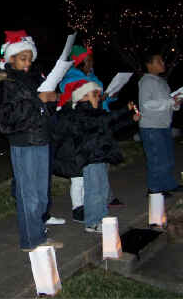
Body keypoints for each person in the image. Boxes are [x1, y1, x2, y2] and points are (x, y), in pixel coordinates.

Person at [0, 30, 63, 251]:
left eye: (30, 58)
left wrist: (51, 100)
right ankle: (31, 241)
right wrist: (38, 101)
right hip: (24, 143)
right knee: (29, 195)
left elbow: (40, 110)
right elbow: (6, 119)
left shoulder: (33, 79)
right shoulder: (5, 83)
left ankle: (38, 234)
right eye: (23, 58)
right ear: (11, 59)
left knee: (41, 195)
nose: (28, 63)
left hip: (42, 140)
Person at [53, 80, 140, 233]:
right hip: (89, 158)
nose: (98, 97)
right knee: (93, 191)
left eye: (97, 94)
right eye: (94, 94)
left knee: (102, 189)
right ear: (82, 97)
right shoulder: (80, 115)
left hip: (100, 156)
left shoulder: (97, 113)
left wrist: (130, 120)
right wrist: (124, 110)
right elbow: (103, 121)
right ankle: (92, 222)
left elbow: (111, 127)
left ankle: (102, 218)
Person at [57, 45, 124, 223]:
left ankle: (98, 202)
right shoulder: (71, 77)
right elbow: (72, 98)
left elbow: (99, 96)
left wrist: (108, 97)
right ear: (79, 61)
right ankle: (78, 207)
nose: (92, 62)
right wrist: (91, 96)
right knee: (79, 174)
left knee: (97, 170)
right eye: (88, 59)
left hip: (98, 122)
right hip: (82, 128)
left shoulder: (92, 76)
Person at [138, 52, 183, 196]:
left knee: (167, 158)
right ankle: (154, 189)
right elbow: (146, 104)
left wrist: (175, 103)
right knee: (157, 159)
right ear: (149, 64)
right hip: (151, 127)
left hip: (163, 125)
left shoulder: (162, 82)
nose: (163, 63)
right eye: (159, 61)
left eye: (162, 61)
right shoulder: (146, 82)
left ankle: (168, 184)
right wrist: (170, 102)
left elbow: (167, 103)